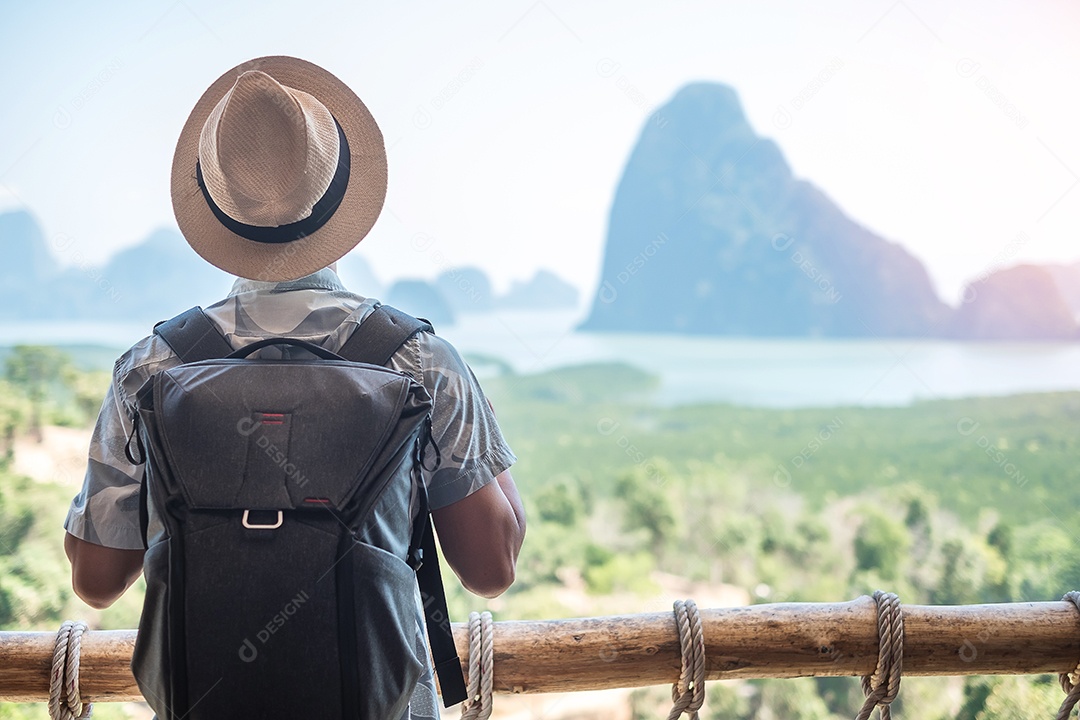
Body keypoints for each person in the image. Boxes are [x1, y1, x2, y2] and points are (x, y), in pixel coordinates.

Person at [62, 55, 526, 719]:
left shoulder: (151, 367)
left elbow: (96, 582)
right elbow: (491, 570)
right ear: (342, 199)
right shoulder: (419, 361)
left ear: (220, 213)